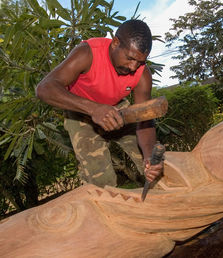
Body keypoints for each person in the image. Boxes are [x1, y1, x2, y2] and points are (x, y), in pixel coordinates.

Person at [36, 20, 163, 188]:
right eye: (130, 58)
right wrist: (94, 108)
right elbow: (45, 88)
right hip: (80, 113)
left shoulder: (142, 74)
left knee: (155, 169)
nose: (133, 67)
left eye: (140, 61)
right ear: (115, 43)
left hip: (118, 109)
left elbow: (144, 118)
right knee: (102, 184)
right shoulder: (87, 53)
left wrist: (149, 156)